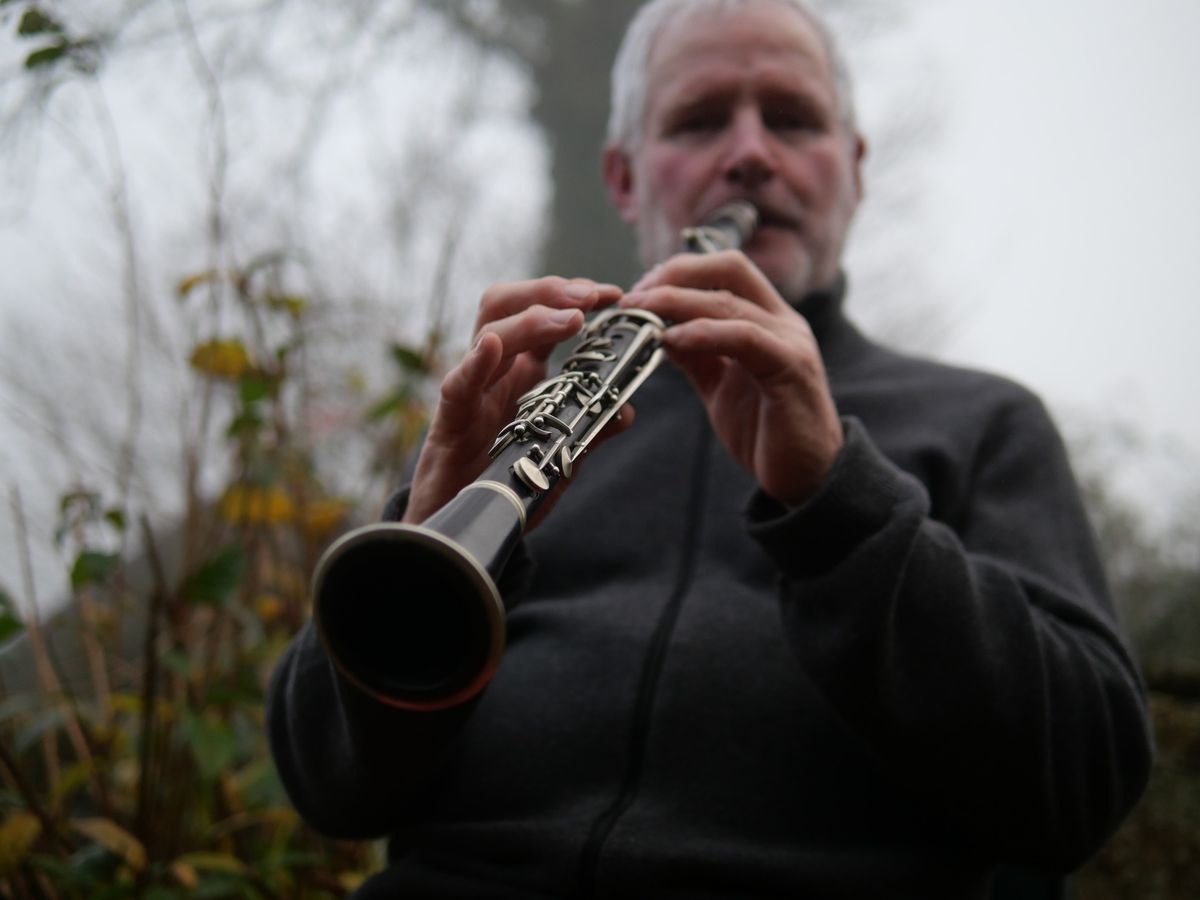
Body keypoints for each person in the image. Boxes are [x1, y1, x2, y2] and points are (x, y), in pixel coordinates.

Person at [267, 1, 1154, 897]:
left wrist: (840, 504)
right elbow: (329, 785)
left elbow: (1079, 789)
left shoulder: (983, 421)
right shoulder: (518, 416)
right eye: (697, 121)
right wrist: (429, 524)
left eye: (793, 119)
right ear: (624, 178)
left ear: (852, 169)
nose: (750, 153)